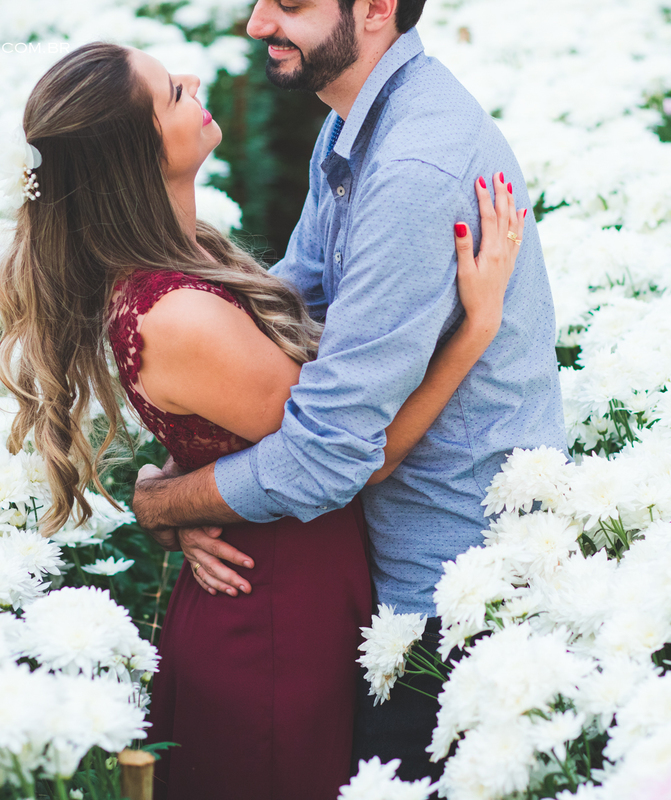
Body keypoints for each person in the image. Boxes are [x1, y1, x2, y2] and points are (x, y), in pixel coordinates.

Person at [0, 37, 526, 800]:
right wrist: (475, 331)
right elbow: (350, 457)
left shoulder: (187, 258)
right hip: (274, 617)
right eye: (170, 92)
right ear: (135, 156)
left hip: (291, 586)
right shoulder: (176, 314)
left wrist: (167, 496)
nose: (195, 78)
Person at [130, 0, 567, 783]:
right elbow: (296, 318)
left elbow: (332, 455)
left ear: (373, 9)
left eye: (290, 5)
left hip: (445, 588)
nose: (259, 24)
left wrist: (168, 503)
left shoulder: (411, 170)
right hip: (373, 561)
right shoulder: (352, 123)